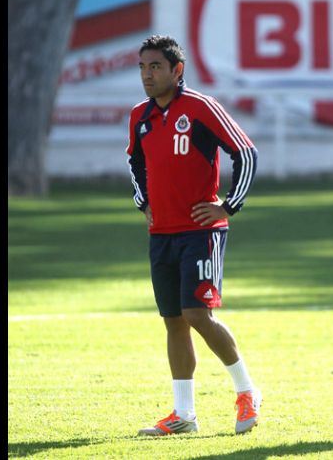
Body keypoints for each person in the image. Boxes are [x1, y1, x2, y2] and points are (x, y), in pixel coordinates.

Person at [126, 35, 260, 436]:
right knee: (174, 321)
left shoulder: (201, 107)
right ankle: (184, 415)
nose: (147, 75)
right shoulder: (140, 116)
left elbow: (246, 152)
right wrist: (143, 202)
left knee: (197, 313)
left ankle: (247, 391)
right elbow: (134, 162)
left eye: (155, 67)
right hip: (161, 233)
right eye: (142, 67)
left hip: (201, 232)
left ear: (177, 70)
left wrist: (229, 206)